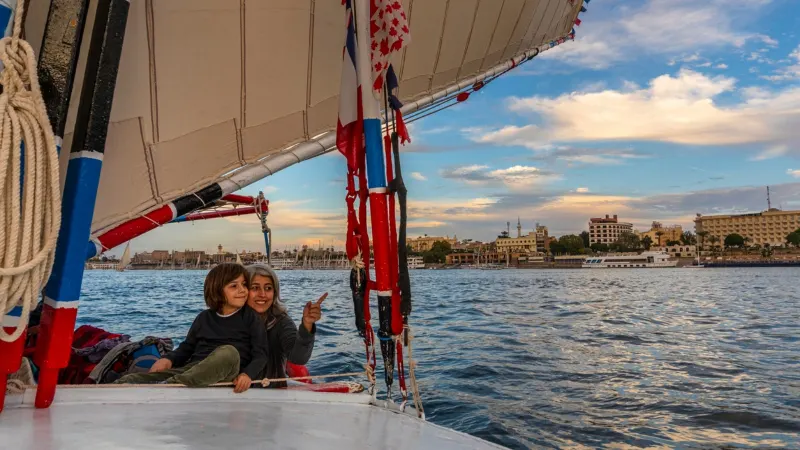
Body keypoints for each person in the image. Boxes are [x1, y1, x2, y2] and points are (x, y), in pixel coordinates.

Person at [115, 263, 267, 393]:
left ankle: (172, 386)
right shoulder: (204, 318)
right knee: (129, 379)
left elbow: (260, 355)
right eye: (234, 286)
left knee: (228, 352)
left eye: (244, 284)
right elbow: (187, 348)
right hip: (192, 370)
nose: (242, 290)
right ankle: (169, 384)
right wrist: (168, 359)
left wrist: (247, 375)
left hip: (225, 372)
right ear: (217, 290)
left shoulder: (250, 318)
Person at [245, 264, 325, 385]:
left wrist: (307, 324)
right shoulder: (231, 320)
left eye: (268, 288)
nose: (262, 294)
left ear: (275, 292)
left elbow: (299, 357)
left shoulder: (281, 321)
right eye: (255, 288)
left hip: (272, 395)